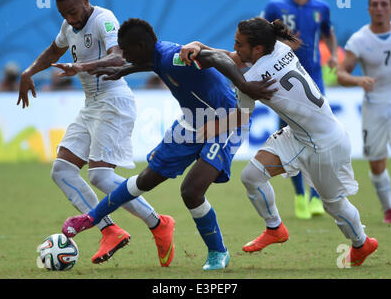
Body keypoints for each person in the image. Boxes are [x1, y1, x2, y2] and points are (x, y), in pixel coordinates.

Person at [61, 18, 276, 270]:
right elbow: (150, 63)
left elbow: (217, 59)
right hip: (191, 123)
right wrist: (125, 70)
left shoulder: (173, 57)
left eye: (126, 51)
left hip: (226, 121)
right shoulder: (156, 55)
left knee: (191, 190)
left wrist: (243, 84)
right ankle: (90, 218)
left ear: (140, 46)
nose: (123, 55)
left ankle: (218, 252)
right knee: (146, 180)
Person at [180, 17, 378, 267]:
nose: (236, 48)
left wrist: (209, 129)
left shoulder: (253, 78)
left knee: (334, 205)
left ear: (258, 49)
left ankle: (362, 243)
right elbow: (233, 57)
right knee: (252, 176)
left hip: (325, 144)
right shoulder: (280, 48)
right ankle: (275, 228)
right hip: (299, 135)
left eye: (239, 43)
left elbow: (240, 115)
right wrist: (199, 46)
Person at [17, 0, 175, 267]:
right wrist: (28, 72)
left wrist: (81, 67)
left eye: (73, 12)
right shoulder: (69, 27)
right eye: (64, 14)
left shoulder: (104, 20)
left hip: (114, 101)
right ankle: (110, 230)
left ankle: (158, 223)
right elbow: (54, 51)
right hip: (91, 105)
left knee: (100, 175)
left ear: (85, 1)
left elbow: (118, 58)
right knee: (62, 171)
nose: (70, 19)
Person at [262, 0, 339, 219]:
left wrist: (334, 55)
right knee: (288, 139)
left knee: (317, 140)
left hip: (314, 81)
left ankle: (315, 195)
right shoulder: (275, 6)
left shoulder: (321, 7)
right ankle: (298, 195)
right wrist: (281, 45)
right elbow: (261, 36)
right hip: (284, 80)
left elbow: (328, 33)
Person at [337, 0, 391, 224]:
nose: (379, 8)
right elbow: (342, 74)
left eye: (384, 4)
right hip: (374, 106)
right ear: (369, 9)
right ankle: (389, 208)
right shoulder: (360, 40)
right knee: (376, 162)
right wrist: (358, 80)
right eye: (375, 4)